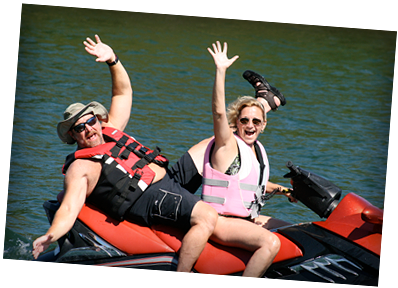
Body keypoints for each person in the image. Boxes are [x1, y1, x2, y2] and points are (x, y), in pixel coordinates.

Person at [31, 35, 281, 277]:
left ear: (98, 119)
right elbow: (69, 207)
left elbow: (122, 94)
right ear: (73, 136)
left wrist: (112, 60)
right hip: (147, 198)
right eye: (79, 128)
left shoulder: (109, 132)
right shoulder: (82, 166)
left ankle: (265, 103)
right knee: (207, 216)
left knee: (217, 144)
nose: (88, 128)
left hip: (166, 181)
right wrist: (50, 235)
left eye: (91, 121)